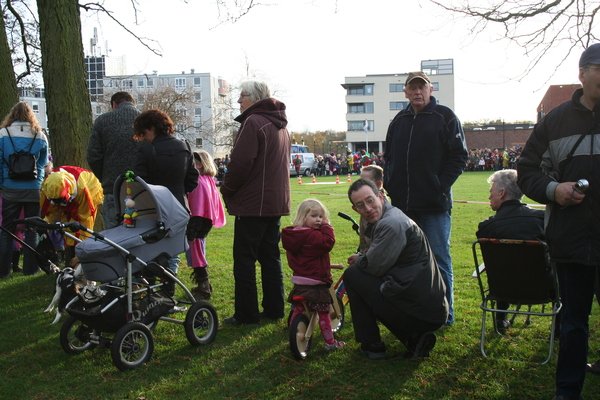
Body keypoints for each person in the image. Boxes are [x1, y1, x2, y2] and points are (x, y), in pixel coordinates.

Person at [517, 43, 600, 400]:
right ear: (581, 74)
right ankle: (568, 391)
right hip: (571, 238)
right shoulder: (554, 121)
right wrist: (554, 190)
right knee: (574, 323)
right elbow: (526, 171)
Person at [383, 71, 468, 325]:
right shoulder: (398, 121)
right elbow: (389, 159)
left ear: (430, 89)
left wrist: (439, 186)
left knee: (440, 259)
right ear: (406, 92)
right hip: (404, 206)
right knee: (406, 259)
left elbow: (459, 157)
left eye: (422, 87)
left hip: (434, 206)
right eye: (413, 88)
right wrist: (390, 183)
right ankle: (414, 308)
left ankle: (446, 314)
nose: (417, 92)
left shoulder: (445, 117)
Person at [344, 179, 448, 359]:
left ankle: (375, 344)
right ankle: (412, 339)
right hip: (426, 302)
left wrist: (360, 259)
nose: (367, 208)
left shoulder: (391, 223)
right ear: (355, 209)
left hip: (424, 307)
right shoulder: (384, 217)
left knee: (353, 275)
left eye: (370, 200)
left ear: (381, 196)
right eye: (360, 205)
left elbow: (373, 266)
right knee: (358, 277)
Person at [220, 81, 290, 325]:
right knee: (271, 257)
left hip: (253, 205)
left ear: (256, 97)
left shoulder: (254, 122)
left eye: (242, 96)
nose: (239, 101)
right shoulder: (280, 125)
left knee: (245, 260)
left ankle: (246, 314)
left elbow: (240, 165)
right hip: (273, 203)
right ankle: (274, 308)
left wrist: (227, 189)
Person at [476, 169, 545, 333]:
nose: (489, 197)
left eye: (491, 192)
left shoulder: (486, 228)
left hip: (502, 290)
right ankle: (559, 329)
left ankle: (500, 319)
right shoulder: (542, 220)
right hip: (542, 289)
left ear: (501, 193)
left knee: (503, 266)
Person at [133, 109, 198, 276]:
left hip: (152, 208)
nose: (143, 136)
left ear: (151, 128)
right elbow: (192, 179)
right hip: (178, 206)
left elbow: (140, 183)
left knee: (150, 250)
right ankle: (170, 284)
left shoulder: (145, 150)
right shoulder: (184, 146)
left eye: (144, 132)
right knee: (173, 250)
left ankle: (153, 288)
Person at [282, 199, 345, 351]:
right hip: (317, 282)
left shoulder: (294, 234)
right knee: (323, 312)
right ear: (304, 217)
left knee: (299, 308)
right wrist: (327, 226)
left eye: (321, 217)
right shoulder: (312, 236)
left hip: (301, 281)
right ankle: (330, 343)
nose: (319, 220)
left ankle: (293, 331)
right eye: (314, 216)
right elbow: (328, 242)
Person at [0, 101, 49, 277]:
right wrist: (39, 180)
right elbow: (43, 163)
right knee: (32, 228)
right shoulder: (40, 135)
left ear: (12, 115)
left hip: (9, 187)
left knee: (6, 229)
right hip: (32, 188)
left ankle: (3, 270)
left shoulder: (3, 134)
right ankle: (30, 268)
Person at [87, 91, 141, 229]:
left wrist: (105, 175)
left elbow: (93, 156)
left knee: (113, 238)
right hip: (141, 188)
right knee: (138, 234)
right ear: (132, 103)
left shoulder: (102, 121)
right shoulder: (145, 120)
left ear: (114, 104)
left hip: (112, 188)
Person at [40, 166, 104, 266]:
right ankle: (69, 260)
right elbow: (49, 212)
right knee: (66, 229)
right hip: (70, 195)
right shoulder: (48, 187)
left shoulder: (83, 190)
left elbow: (85, 221)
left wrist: (80, 255)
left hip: (90, 190)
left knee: (81, 230)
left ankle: (83, 262)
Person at [186, 150, 226, 300]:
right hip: (204, 221)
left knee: (197, 255)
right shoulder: (208, 179)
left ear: (201, 164)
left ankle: (204, 287)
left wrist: (192, 227)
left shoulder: (199, 181)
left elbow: (197, 206)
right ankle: (204, 285)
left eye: (194, 162)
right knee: (198, 252)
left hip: (198, 221)